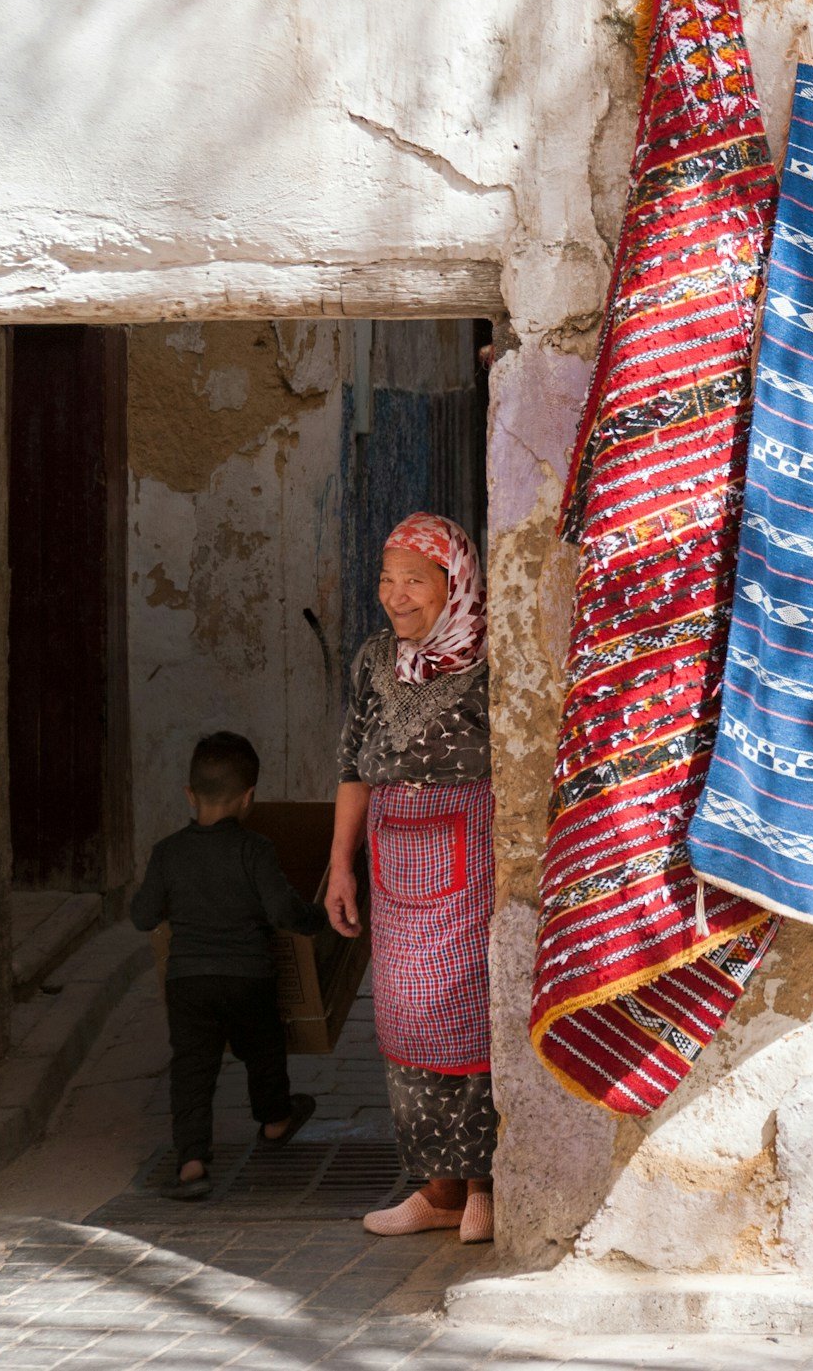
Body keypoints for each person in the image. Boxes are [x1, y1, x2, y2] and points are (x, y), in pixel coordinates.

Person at [325, 512, 497, 1243]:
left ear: (453, 583)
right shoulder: (372, 660)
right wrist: (339, 862)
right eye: (387, 579)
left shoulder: (495, 661)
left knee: (473, 1012)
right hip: (394, 860)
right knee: (403, 1015)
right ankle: (437, 1187)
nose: (396, 596)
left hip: (473, 856)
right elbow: (354, 767)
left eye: (415, 580)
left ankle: (487, 1182)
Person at [129, 731, 324, 1201]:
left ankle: (193, 1162)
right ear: (249, 798)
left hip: (188, 982)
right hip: (249, 977)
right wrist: (319, 919)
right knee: (263, 1048)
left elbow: (141, 916)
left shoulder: (168, 852)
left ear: (189, 795)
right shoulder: (254, 849)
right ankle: (275, 1119)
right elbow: (282, 912)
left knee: (192, 1068)